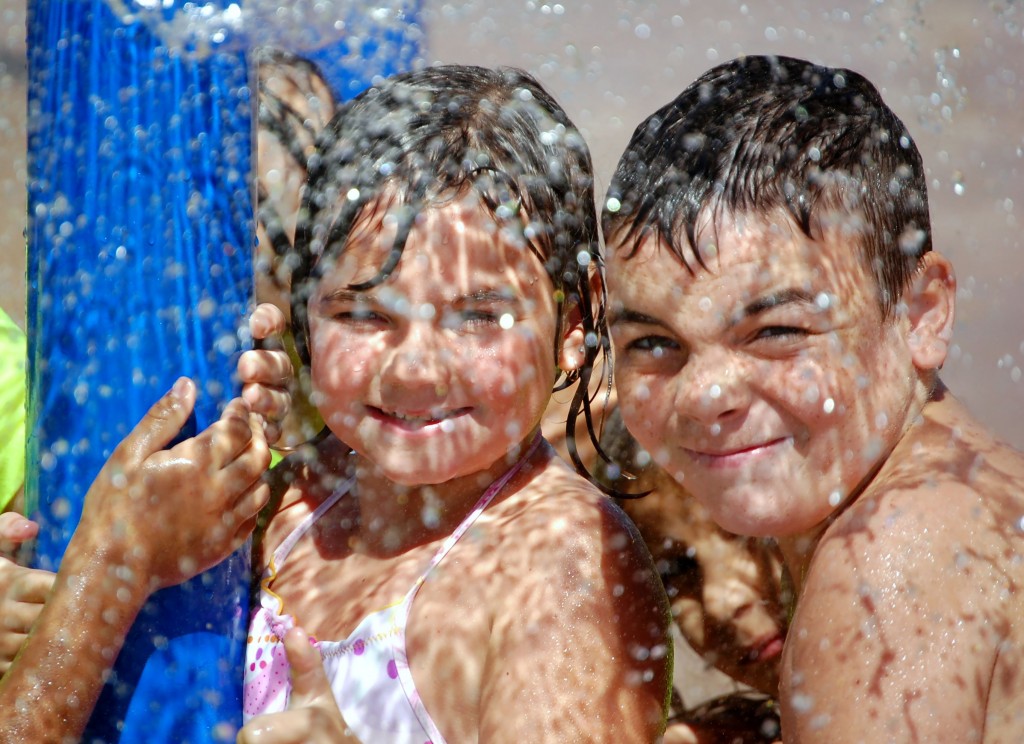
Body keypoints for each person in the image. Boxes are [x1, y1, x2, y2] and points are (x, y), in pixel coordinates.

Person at [235, 64, 671, 743]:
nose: (414, 370)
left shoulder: (560, 568)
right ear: (304, 313)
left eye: (476, 317)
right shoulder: (295, 495)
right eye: (362, 314)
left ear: (577, 322)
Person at [602, 54, 1024, 742]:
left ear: (922, 313)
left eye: (775, 330)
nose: (704, 396)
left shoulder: (882, 569)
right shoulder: (971, 500)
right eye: (654, 343)